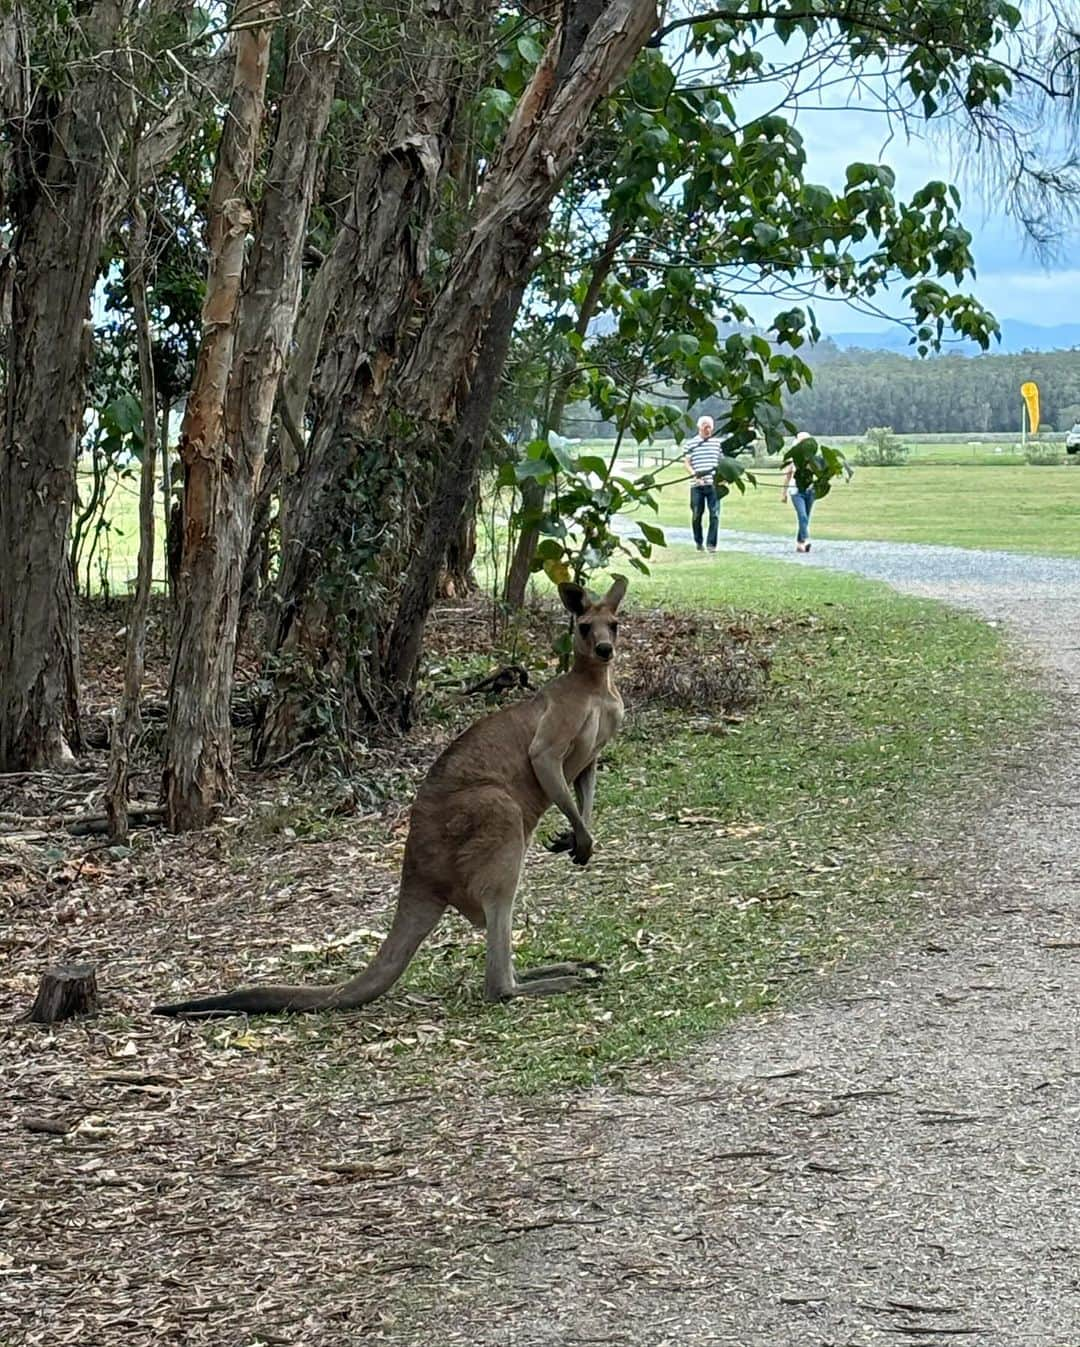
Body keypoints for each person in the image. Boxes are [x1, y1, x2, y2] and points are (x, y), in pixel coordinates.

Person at [683, 415, 723, 552]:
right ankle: (698, 541)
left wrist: (722, 478)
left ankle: (711, 544)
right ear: (699, 427)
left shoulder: (717, 443)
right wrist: (695, 475)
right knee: (696, 515)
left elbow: (721, 462)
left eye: (709, 427)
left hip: (713, 484)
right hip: (697, 485)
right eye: (704, 426)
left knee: (714, 514)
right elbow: (687, 463)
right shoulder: (691, 443)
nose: (707, 429)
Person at [781, 430, 818, 553]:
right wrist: (784, 493)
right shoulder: (794, 458)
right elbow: (787, 475)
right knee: (802, 516)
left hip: (810, 491)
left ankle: (799, 543)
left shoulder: (813, 459)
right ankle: (806, 540)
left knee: (805, 517)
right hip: (796, 491)